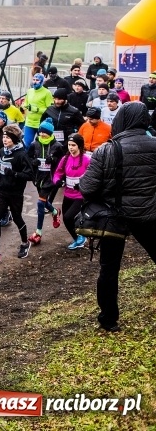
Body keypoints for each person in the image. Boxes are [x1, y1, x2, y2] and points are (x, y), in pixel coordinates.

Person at [80, 101, 156, 333]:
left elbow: (87, 188)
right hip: (150, 215)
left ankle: (109, 319)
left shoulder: (107, 149)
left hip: (115, 217)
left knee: (109, 270)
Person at [0, 125, 34, 263]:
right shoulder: (3, 151)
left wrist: (14, 174)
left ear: (14, 139)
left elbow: (30, 175)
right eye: (4, 137)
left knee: (17, 218)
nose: (4, 140)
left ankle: (24, 243)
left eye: (8, 137)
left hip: (15, 193)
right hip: (2, 192)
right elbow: (4, 168)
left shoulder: (22, 155)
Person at [26, 119, 65, 246]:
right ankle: (54, 212)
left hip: (50, 178)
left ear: (50, 133)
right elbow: (28, 157)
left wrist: (53, 160)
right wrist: (33, 162)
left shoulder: (57, 146)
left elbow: (62, 161)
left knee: (40, 203)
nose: (42, 135)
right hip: (38, 178)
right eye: (40, 132)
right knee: (43, 202)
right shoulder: (34, 144)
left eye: (45, 133)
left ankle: (38, 232)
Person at [52, 134, 91, 251]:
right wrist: (58, 181)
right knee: (66, 219)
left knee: (69, 217)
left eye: (73, 145)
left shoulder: (87, 159)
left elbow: (93, 176)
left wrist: (83, 184)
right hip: (68, 193)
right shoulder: (65, 159)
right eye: (69, 145)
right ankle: (78, 239)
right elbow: (57, 173)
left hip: (81, 194)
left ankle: (82, 237)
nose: (71, 148)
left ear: (79, 146)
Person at [21, 73, 54, 147]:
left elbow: (50, 109)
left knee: (41, 143)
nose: (35, 82)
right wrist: (24, 106)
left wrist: (36, 109)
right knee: (26, 143)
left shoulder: (47, 93)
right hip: (29, 122)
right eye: (34, 80)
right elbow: (25, 103)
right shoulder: (29, 91)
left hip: (41, 122)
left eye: (37, 80)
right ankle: (27, 158)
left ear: (42, 81)